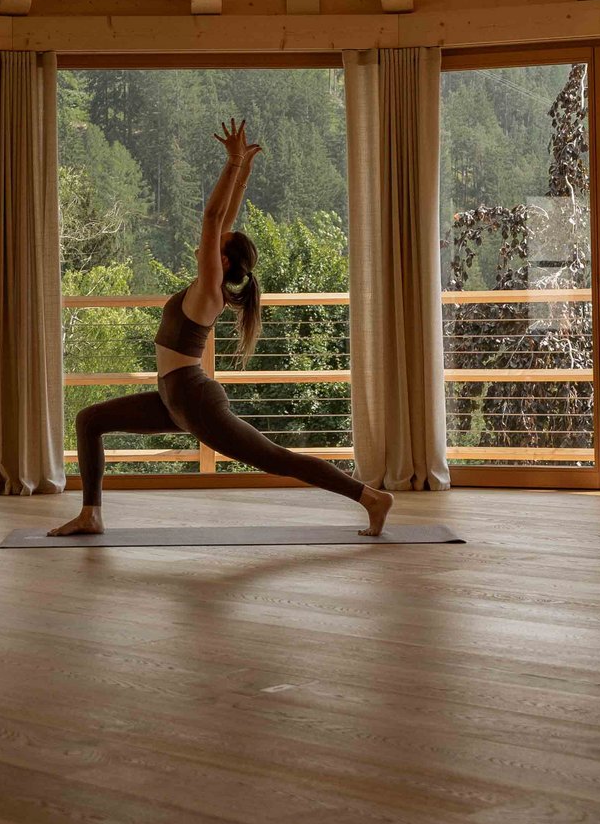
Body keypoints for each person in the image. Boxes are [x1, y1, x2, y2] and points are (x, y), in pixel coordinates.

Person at [50, 118, 394, 536]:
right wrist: (244, 170)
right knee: (89, 420)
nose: (211, 239)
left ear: (223, 260)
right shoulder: (206, 285)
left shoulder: (209, 291)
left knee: (276, 459)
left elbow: (213, 217)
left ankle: (371, 498)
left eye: (218, 243)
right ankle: (91, 514)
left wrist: (231, 162)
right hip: (173, 397)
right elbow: (223, 219)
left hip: (194, 400)